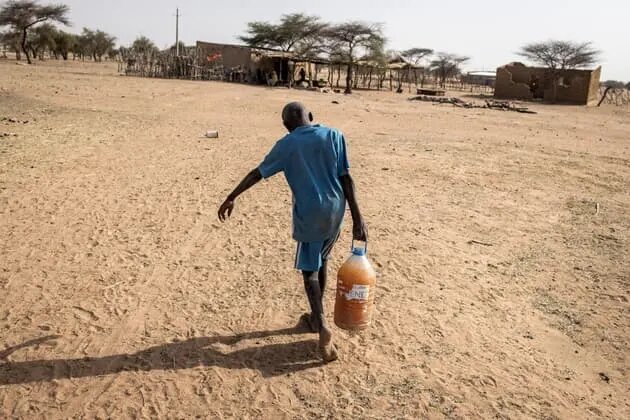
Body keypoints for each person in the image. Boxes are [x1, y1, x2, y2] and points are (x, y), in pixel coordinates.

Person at [218, 102, 367, 362]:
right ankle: (313, 318)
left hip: (309, 213)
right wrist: (358, 218)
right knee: (322, 259)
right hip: (336, 211)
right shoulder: (334, 135)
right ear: (311, 116)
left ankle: (321, 326)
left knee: (309, 270)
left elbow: (258, 173)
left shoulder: (286, 145)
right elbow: (347, 178)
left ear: (287, 126)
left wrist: (232, 196)